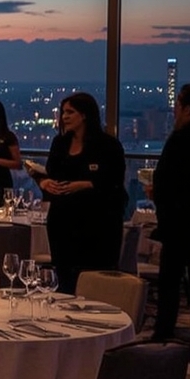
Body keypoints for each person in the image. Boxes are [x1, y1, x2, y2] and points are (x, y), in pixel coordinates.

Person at [39, 92, 125, 294]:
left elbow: (114, 182)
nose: (64, 116)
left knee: (93, 280)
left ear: (85, 115)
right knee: (64, 277)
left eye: (70, 112)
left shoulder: (108, 145)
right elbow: (50, 173)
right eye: (63, 112)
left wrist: (85, 184)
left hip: (97, 223)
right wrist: (45, 183)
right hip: (62, 221)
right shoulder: (59, 143)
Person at [148, 82, 190, 360]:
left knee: (171, 283)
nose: (174, 112)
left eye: (177, 106)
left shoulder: (181, 139)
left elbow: (168, 181)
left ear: (189, 109)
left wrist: (156, 192)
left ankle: (163, 336)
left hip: (179, 226)